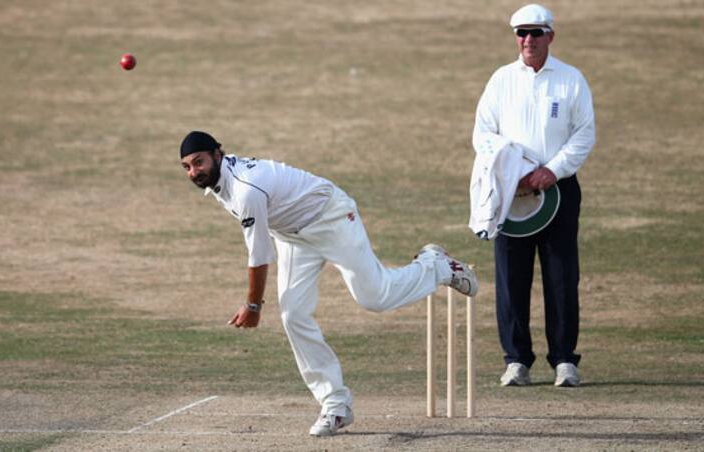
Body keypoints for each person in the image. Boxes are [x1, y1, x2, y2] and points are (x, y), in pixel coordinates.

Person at [178, 131, 478, 436]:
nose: (194, 172)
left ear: (217, 154)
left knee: (375, 297)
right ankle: (336, 405)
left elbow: (259, 256)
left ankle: (437, 266)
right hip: (292, 236)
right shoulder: (221, 181)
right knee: (293, 315)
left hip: (330, 217)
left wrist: (253, 306)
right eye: (187, 167)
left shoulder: (246, 189)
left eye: (199, 162)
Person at [470, 4, 596, 387]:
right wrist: (516, 170)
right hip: (512, 192)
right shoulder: (501, 80)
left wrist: (551, 170)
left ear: (550, 36)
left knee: (561, 277)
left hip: (559, 190)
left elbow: (584, 133)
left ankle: (564, 360)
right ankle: (516, 360)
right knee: (511, 278)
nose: (528, 40)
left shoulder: (571, 79)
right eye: (521, 33)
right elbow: (482, 134)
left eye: (535, 33)